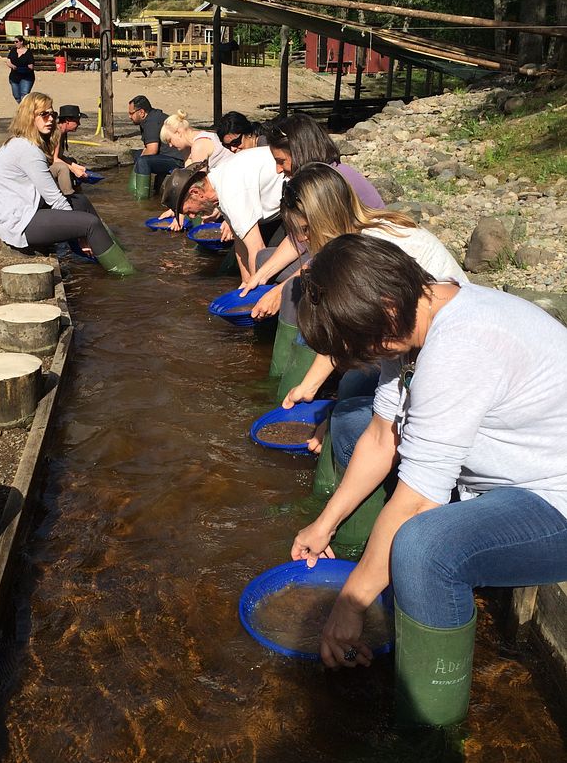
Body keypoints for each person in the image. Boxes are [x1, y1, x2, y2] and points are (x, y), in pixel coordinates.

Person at [289, 234, 567, 724]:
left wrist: (351, 603)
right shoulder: (419, 317)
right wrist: (325, 523)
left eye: (360, 343)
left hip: (553, 500)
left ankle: (430, 739)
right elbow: (381, 437)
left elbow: (418, 503)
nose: (365, 356)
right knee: (357, 427)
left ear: (387, 305)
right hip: (509, 485)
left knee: (424, 548)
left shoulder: (463, 342)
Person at [271, 163, 467, 448]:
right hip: (409, 341)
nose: (302, 239)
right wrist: (309, 386)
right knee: (352, 386)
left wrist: (335, 421)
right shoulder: (360, 237)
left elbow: (368, 324)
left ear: (326, 218)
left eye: (305, 229)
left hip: (442, 349)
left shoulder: (372, 249)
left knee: (351, 400)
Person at [240, 114, 386, 323]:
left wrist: (281, 291)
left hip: (362, 261)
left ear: (299, 153)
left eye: (281, 161)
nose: (278, 170)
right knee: (264, 259)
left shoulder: (329, 185)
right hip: (335, 250)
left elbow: (330, 253)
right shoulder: (314, 181)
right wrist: (259, 276)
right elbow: (299, 238)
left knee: (290, 287)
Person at [0, 93, 133, 275]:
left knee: (80, 201)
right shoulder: (28, 151)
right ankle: (125, 274)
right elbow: (54, 198)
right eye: (44, 115)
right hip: (19, 223)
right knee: (90, 224)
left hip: (26, 209)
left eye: (52, 114)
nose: (51, 120)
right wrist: (78, 232)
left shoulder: (24, 143)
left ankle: (115, 251)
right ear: (29, 117)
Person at [160, 146, 284, 281]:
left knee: (269, 265)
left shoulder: (230, 194)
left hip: (302, 189)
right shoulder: (218, 180)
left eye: (188, 210)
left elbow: (257, 249)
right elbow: (240, 241)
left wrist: (253, 294)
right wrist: (245, 282)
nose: (192, 216)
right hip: (283, 208)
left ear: (195, 193)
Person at [127, 95, 186, 197]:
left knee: (142, 161)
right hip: (170, 156)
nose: (129, 116)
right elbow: (147, 148)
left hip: (177, 160)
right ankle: (134, 189)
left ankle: (141, 197)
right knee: (138, 155)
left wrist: (140, 162)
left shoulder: (151, 122)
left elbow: (152, 150)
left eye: (131, 113)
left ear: (141, 112)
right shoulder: (152, 117)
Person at [159, 109, 230, 168]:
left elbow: (198, 180)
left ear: (178, 133)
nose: (170, 145)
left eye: (169, 140)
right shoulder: (189, 147)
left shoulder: (199, 145)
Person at [50, 104, 90, 195]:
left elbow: (59, 156)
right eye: (77, 121)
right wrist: (74, 170)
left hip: (52, 163)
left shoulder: (62, 132)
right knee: (63, 168)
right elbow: (55, 159)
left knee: (72, 161)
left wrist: (76, 166)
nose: (79, 124)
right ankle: (69, 196)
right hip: (44, 168)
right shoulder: (56, 132)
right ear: (67, 121)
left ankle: (77, 192)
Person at [6, 34, 35, 104]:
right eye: (14, 42)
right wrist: (12, 66)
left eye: (16, 41)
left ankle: (24, 111)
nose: (15, 43)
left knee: (24, 95)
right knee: (16, 96)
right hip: (14, 76)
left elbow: (31, 65)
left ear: (21, 42)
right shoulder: (13, 51)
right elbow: (8, 61)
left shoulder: (28, 53)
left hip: (26, 77)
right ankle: (22, 108)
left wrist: (25, 67)